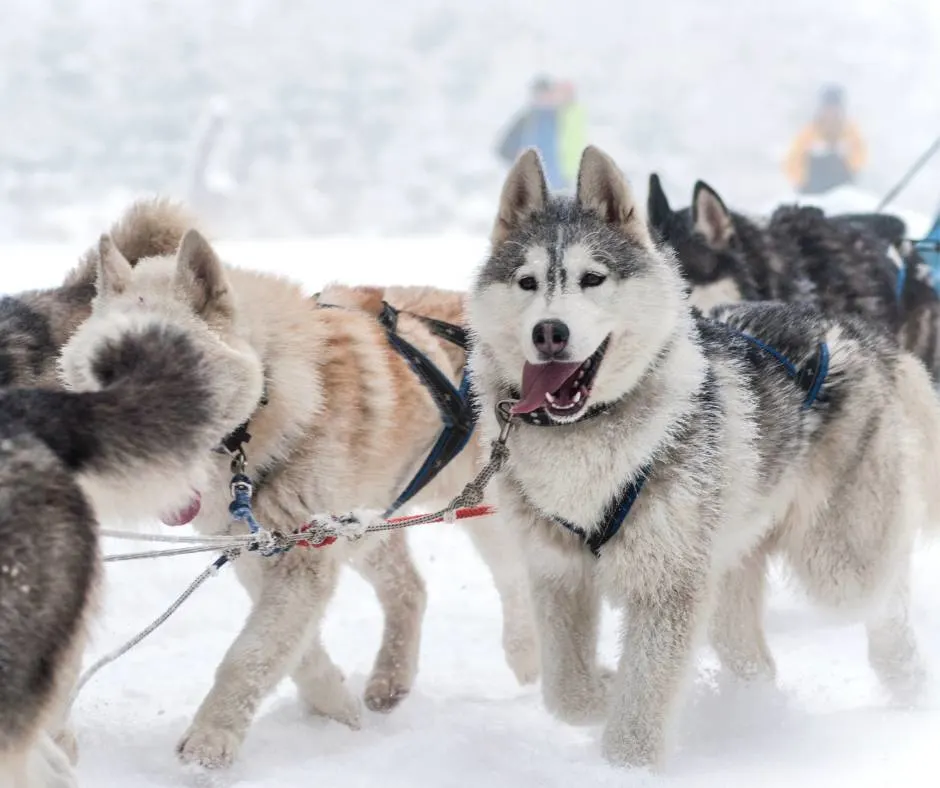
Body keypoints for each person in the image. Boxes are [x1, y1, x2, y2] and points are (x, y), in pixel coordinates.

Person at [496, 76, 586, 192]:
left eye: (546, 94)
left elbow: (573, 145)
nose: (544, 98)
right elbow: (505, 149)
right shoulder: (529, 119)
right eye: (540, 95)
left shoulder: (563, 116)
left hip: (561, 182)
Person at [784, 85, 867, 195]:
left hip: (842, 190)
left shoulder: (850, 132)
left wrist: (848, 165)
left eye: (835, 108)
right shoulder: (809, 133)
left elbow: (860, 155)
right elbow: (792, 160)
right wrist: (803, 182)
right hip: (812, 191)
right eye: (828, 108)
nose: (832, 113)